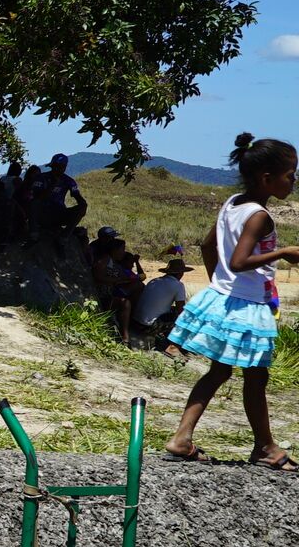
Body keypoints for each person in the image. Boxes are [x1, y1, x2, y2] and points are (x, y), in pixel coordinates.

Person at [163, 133, 299, 470]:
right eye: (290, 174)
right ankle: (265, 447)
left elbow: (210, 246)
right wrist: (282, 253)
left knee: (220, 371)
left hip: (226, 297)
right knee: (255, 377)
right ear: (267, 179)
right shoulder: (260, 217)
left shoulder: (233, 203)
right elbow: (238, 261)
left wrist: (219, 284)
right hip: (247, 306)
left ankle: (183, 437)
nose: (293, 180)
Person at [134, 258, 192, 348]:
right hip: (148, 327)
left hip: (136, 322)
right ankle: (173, 344)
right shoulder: (178, 285)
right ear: (181, 273)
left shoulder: (154, 281)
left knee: (172, 310)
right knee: (179, 315)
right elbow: (181, 310)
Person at [92, 239, 143, 341]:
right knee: (126, 303)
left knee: (139, 286)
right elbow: (97, 276)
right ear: (114, 250)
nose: (124, 252)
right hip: (103, 294)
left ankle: (131, 322)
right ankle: (125, 335)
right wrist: (117, 280)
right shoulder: (105, 260)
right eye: (122, 249)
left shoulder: (116, 263)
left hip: (111, 292)